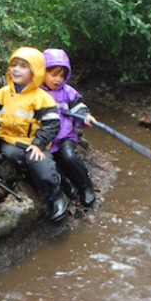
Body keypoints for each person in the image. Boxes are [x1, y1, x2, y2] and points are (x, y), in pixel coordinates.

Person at [0, 46, 70, 222]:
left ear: (35, 72)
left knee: (39, 163)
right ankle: (36, 179)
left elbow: (51, 124)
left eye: (23, 66)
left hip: (35, 143)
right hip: (11, 141)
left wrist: (39, 143)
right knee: (10, 154)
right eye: (14, 65)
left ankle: (57, 196)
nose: (16, 69)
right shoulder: (3, 93)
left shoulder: (42, 98)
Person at [41, 48, 96, 207]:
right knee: (52, 165)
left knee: (69, 157)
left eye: (62, 76)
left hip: (65, 136)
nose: (57, 79)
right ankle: (67, 188)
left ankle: (85, 185)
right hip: (45, 139)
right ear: (42, 72)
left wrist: (85, 116)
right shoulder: (36, 92)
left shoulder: (68, 92)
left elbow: (78, 107)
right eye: (53, 74)